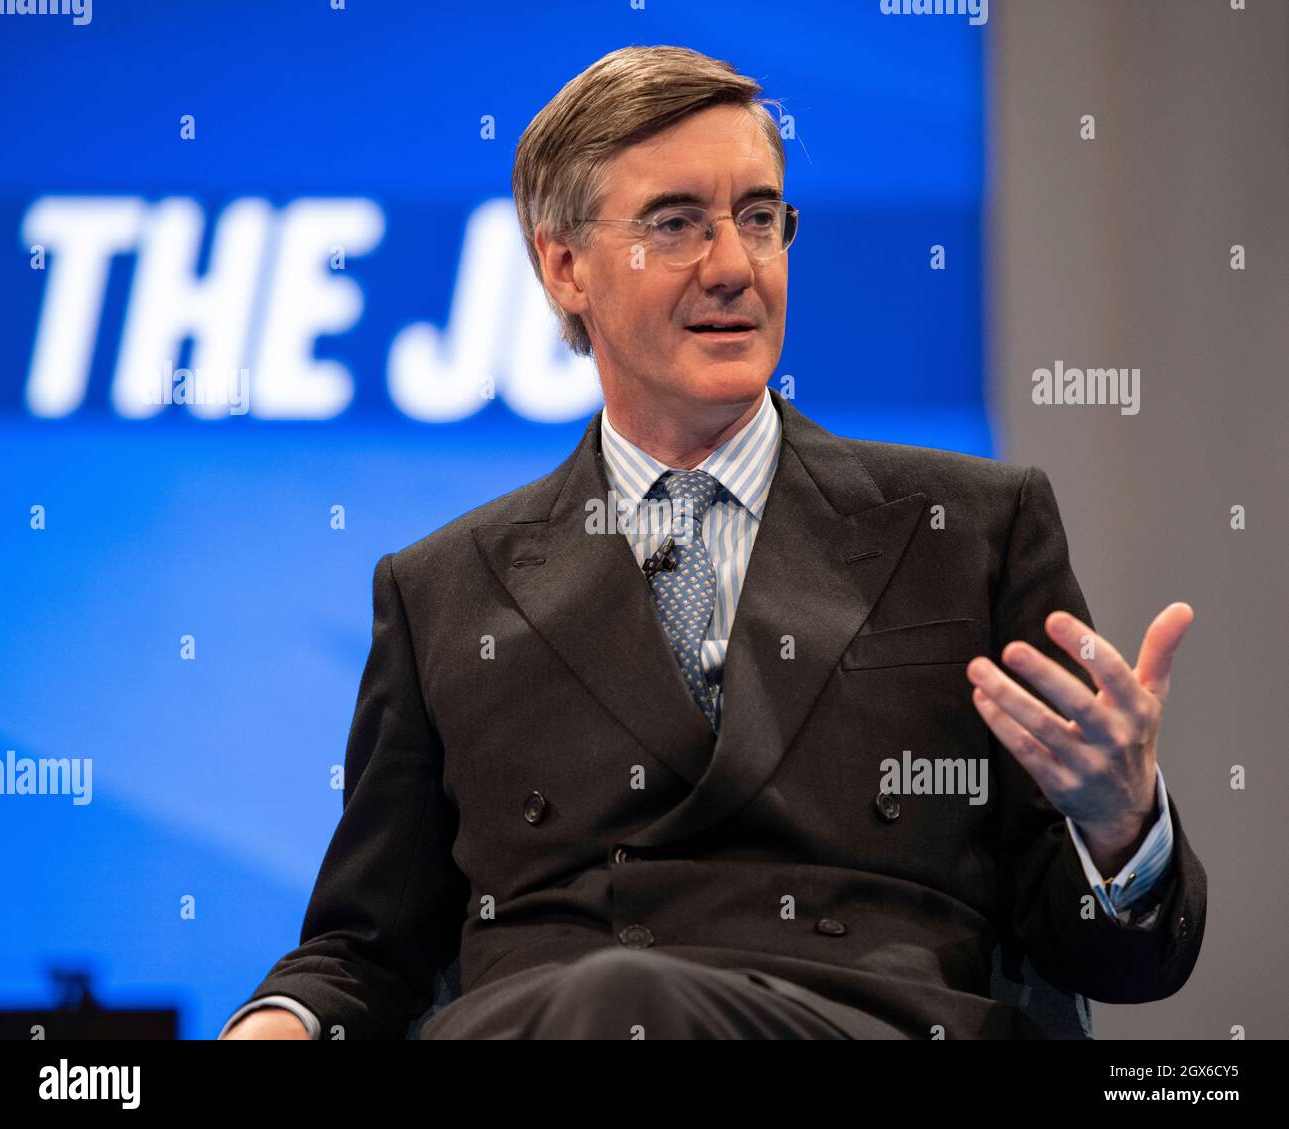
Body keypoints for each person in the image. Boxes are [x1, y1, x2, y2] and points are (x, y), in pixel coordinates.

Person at [220, 45, 1205, 1040]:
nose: (734, 265)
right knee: (608, 1000)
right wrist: (279, 1021)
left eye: (760, 218)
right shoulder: (444, 590)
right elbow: (365, 948)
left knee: (625, 1000)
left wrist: (1117, 826)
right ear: (564, 265)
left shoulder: (969, 527)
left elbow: (1116, 961)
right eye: (677, 223)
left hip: (862, 1020)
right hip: (544, 1024)